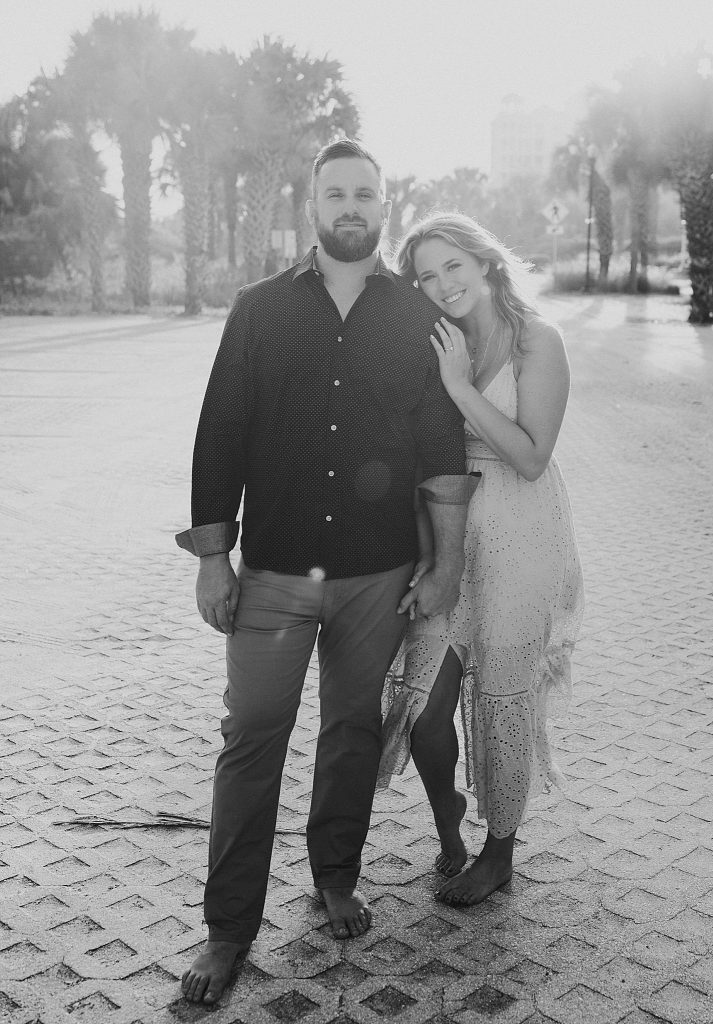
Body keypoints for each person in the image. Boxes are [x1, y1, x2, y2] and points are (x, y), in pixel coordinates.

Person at [176, 140, 477, 1005]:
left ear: (386, 206)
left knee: (350, 734)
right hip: (271, 572)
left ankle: (335, 875)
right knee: (252, 742)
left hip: (376, 575)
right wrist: (211, 559)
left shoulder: (412, 317)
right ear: (312, 204)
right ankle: (229, 929)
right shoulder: (259, 309)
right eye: (336, 193)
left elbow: (440, 449)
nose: (351, 206)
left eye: (366, 194)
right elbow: (220, 431)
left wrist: (445, 566)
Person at [379, 212, 584, 906]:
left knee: (502, 697)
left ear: (486, 262)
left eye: (452, 266)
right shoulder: (434, 340)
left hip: (521, 534)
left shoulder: (538, 343)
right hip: (449, 531)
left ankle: (500, 852)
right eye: (427, 277)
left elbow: (530, 456)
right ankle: (450, 836)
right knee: (427, 708)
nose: (442, 285)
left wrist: (463, 388)